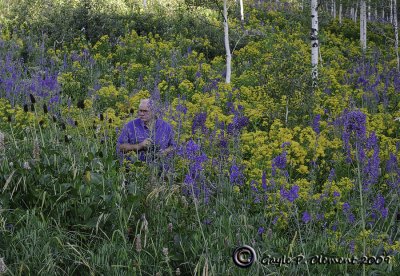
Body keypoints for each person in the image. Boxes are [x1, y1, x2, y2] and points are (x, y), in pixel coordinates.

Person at [117, 98, 175, 165]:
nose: (141, 114)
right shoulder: (130, 126)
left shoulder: (165, 127)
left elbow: (173, 146)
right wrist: (139, 146)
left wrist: (164, 152)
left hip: (159, 170)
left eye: (145, 111)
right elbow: (120, 147)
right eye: (140, 111)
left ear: (154, 111)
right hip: (136, 171)